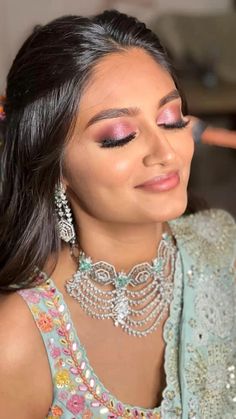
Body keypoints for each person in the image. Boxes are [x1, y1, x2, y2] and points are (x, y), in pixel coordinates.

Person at [0, 10, 235, 419]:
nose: (166, 153)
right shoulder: (20, 338)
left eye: (171, 119)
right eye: (119, 136)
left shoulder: (221, 247)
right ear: (55, 167)